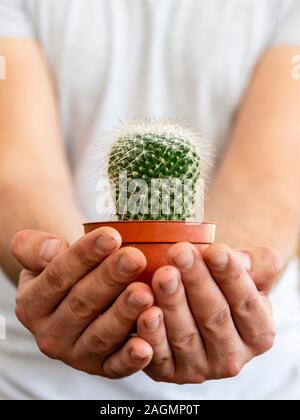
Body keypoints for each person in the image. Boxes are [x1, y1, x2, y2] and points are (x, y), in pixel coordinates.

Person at [0, 0, 300, 400]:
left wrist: (225, 272)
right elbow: (21, 172)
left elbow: (265, 181)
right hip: (32, 383)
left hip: (257, 387)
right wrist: (76, 277)